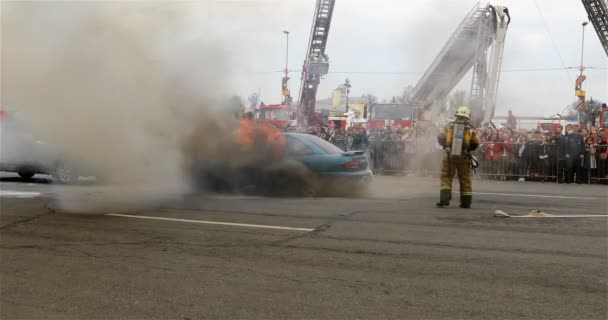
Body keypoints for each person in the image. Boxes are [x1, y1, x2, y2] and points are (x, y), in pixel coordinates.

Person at [436, 106, 480, 208]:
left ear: (457, 115)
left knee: (446, 177)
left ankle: (444, 200)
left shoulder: (449, 126)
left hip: (449, 156)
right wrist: (468, 150)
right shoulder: (471, 129)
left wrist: (445, 146)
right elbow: (475, 143)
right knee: (465, 179)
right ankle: (466, 203)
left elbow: (440, 137)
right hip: (464, 157)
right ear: (468, 117)